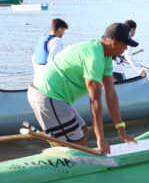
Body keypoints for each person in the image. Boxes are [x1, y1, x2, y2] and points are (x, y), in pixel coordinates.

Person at [27, 23, 139, 154]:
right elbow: (95, 102)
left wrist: (121, 129)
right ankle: (66, 166)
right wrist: (101, 139)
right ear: (114, 43)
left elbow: (111, 94)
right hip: (47, 95)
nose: (126, 48)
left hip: (57, 98)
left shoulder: (105, 56)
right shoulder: (94, 57)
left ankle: (74, 159)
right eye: (125, 44)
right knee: (77, 142)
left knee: (83, 131)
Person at [32, 18, 68, 85]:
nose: (64, 33)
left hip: (37, 77)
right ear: (60, 29)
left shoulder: (42, 39)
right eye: (64, 30)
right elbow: (51, 59)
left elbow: (34, 58)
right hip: (48, 79)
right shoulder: (57, 40)